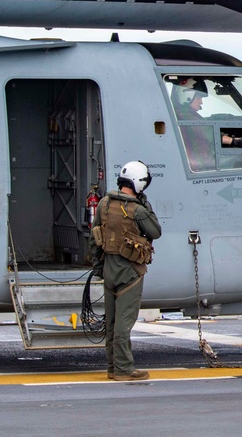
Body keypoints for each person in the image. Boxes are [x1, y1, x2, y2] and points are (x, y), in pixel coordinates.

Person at [88, 160, 162, 381]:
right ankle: (123, 369)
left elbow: (95, 238)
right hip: (130, 272)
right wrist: (146, 205)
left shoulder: (104, 204)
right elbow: (156, 231)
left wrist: (99, 267)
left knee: (111, 323)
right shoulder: (138, 210)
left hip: (109, 270)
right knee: (123, 323)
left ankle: (113, 366)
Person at [172, 78, 242, 172]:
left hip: (200, 160)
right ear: (186, 97)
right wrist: (234, 141)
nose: (201, 102)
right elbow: (206, 132)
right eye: (198, 98)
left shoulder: (183, 114)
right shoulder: (186, 116)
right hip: (201, 163)